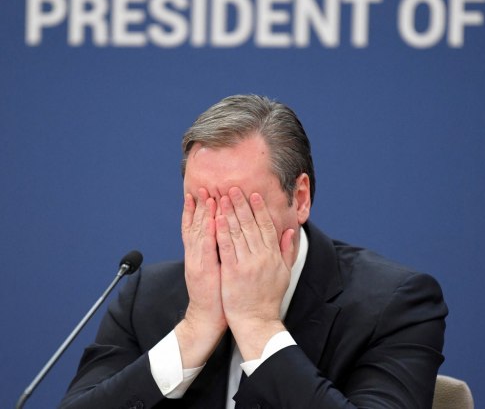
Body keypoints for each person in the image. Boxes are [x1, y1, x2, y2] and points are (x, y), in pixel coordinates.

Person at [59, 94, 448, 409]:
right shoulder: (146, 296)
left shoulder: (393, 305)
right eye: (201, 205)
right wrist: (193, 331)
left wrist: (259, 325)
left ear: (300, 198)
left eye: (240, 206)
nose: (219, 229)